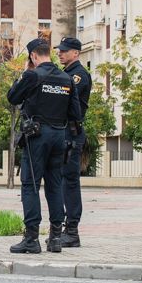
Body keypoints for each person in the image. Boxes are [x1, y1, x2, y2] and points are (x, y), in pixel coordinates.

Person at [6, 37, 80, 254]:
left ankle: (31, 239)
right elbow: (75, 113)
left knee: (30, 185)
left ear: (33, 56)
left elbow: (12, 97)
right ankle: (56, 238)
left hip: (37, 137)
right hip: (60, 136)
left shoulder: (32, 75)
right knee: (54, 185)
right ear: (48, 52)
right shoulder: (67, 78)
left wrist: (24, 73)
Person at [57, 36, 92, 248]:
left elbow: (64, 101)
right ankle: (63, 227)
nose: (60, 53)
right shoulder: (65, 74)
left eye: (64, 50)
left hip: (71, 133)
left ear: (76, 53)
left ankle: (72, 230)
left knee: (69, 181)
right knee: (61, 181)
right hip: (63, 133)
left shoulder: (79, 75)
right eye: (60, 50)